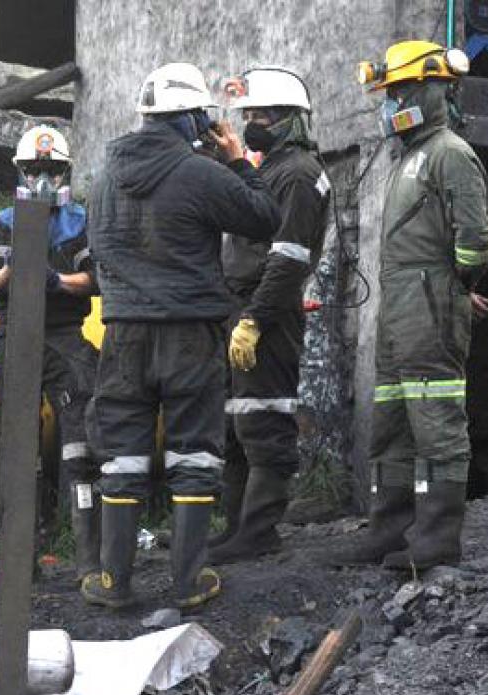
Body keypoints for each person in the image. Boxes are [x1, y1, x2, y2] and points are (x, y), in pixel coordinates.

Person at [81, 64, 281, 610]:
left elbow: (98, 252)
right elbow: (265, 217)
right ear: (191, 117)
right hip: (189, 333)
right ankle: (189, 582)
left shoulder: (103, 178)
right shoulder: (199, 173)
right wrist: (238, 160)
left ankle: (113, 583)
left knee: (121, 455)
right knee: (194, 453)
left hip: (122, 334)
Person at [329, 41, 488, 570]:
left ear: (431, 89)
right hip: (401, 308)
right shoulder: (410, 155)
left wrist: (455, 285)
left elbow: (475, 241)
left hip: (428, 307)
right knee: (393, 422)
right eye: (389, 95)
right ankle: (389, 531)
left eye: (399, 92)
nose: (391, 104)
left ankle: (436, 539)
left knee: (436, 421)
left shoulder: (449, 152)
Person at [210, 68, 332, 563]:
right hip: (242, 306)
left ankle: (259, 532)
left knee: (265, 420)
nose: (254, 122)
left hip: (269, 313)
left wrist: (256, 318)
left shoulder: (299, 173)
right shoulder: (272, 168)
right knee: (237, 423)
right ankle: (237, 527)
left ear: (291, 119)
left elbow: (289, 258)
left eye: (263, 114)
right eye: (250, 114)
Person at [0, 125, 101, 584]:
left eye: (51, 170)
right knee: (15, 451)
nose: (42, 178)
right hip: (16, 335)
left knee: (81, 449)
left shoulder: (80, 220)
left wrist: (56, 280)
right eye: (34, 170)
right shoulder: (4, 222)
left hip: (67, 335)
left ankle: (89, 560)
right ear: (21, 174)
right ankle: (17, 562)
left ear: (65, 171)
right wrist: (21, 259)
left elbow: (94, 280)